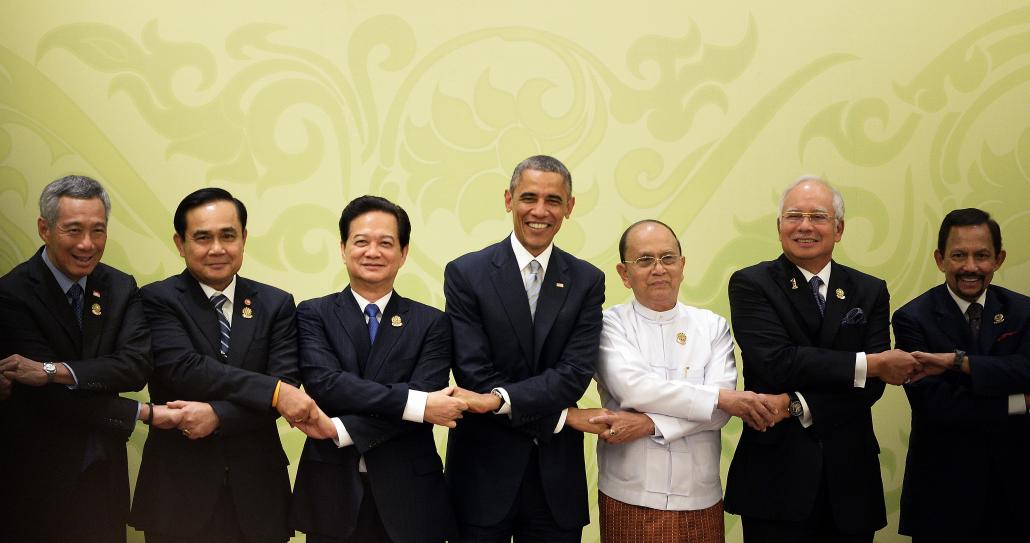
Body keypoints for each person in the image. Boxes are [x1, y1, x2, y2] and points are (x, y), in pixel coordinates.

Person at [723, 176, 921, 542]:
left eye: (818, 216)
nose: (805, 226)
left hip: (850, 478)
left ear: (839, 228)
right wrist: (868, 364)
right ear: (779, 226)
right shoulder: (752, 284)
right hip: (775, 477)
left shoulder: (869, 289)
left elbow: (872, 388)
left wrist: (796, 404)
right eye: (794, 215)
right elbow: (777, 362)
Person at [129, 188, 331, 543]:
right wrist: (274, 392)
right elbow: (183, 369)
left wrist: (220, 415)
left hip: (258, 493)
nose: (217, 248)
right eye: (202, 238)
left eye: (228, 235)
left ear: (244, 238)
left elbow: (284, 383)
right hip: (178, 491)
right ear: (180, 243)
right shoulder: (156, 299)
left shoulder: (276, 304)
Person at [586, 219, 783, 543]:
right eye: (645, 260)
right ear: (624, 273)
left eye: (668, 258)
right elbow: (635, 389)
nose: (659, 269)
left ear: (682, 265)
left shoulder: (712, 326)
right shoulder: (609, 324)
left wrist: (649, 425)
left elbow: (719, 412)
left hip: (700, 496)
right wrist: (717, 399)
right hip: (630, 495)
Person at [0, 175, 174, 543]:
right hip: (35, 479)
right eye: (73, 230)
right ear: (44, 229)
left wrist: (53, 371)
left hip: (103, 476)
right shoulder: (12, 294)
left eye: (98, 230)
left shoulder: (119, 285)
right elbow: (45, 398)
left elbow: (135, 368)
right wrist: (139, 413)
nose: (87, 244)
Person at [443, 155, 606, 542]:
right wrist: (559, 418)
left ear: (569, 207)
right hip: (482, 477)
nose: (539, 211)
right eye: (528, 197)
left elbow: (574, 376)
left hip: (556, 483)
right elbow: (472, 373)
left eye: (553, 200)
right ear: (508, 200)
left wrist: (498, 400)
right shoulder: (466, 273)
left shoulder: (586, 280)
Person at [291, 195, 462, 543]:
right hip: (332, 489)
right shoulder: (313, 314)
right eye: (361, 242)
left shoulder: (433, 323)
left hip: (410, 493)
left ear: (403, 252)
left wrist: (339, 427)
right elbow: (326, 385)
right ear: (342, 248)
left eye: (386, 243)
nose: (373, 252)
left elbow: (427, 390)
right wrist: (417, 407)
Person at [893, 208, 1030, 542]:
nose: (970, 267)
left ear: (999, 259)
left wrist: (959, 363)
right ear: (940, 259)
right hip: (942, 494)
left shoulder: (1024, 311)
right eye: (959, 255)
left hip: (1016, 493)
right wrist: (1018, 403)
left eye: (982, 255)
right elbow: (937, 406)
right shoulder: (912, 318)